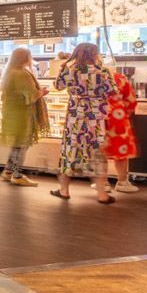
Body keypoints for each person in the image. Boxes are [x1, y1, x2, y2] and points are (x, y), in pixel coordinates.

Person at [51, 43, 118, 203]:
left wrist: (62, 69)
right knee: (97, 152)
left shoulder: (69, 69)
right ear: (94, 54)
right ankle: (102, 194)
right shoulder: (103, 71)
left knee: (70, 151)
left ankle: (64, 190)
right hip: (96, 116)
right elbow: (112, 91)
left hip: (75, 116)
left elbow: (58, 86)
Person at [0, 48, 47, 187]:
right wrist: (42, 92)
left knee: (17, 144)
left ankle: (8, 171)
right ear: (26, 58)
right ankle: (17, 175)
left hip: (12, 114)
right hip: (22, 115)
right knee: (22, 145)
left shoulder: (9, 72)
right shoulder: (21, 74)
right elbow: (31, 96)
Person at [101, 66, 140, 193]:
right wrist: (124, 112)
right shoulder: (120, 78)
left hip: (97, 117)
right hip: (118, 117)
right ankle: (122, 182)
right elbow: (131, 100)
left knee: (101, 150)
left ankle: (102, 183)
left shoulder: (91, 77)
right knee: (121, 149)